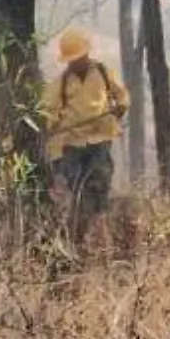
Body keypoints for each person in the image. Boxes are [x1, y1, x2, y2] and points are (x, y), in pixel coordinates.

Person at [42, 28, 129, 245]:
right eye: (72, 60)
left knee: (99, 186)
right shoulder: (60, 84)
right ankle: (77, 238)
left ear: (87, 54)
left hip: (100, 139)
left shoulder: (103, 72)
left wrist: (120, 108)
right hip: (72, 144)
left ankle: (99, 234)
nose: (77, 63)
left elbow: (122, 96)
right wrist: (50, 137)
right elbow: (48, 114)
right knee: (78, 190)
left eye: (79, 57)